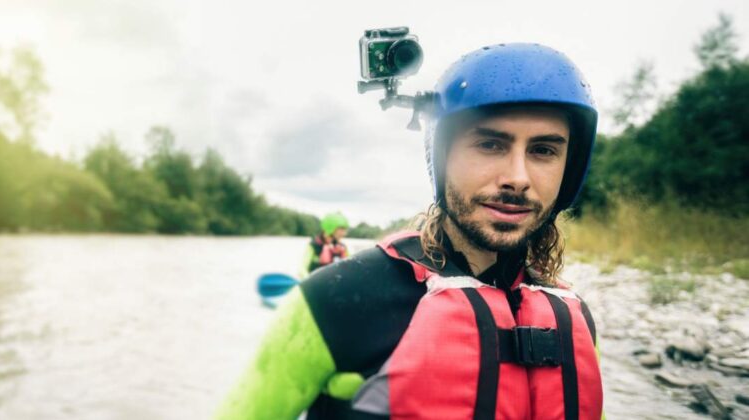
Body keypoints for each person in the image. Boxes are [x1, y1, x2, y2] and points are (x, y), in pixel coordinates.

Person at [216, 43, 603, 420]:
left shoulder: (574, 319)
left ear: (568, 169)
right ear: (443, 156)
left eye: (543, 151)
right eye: (489, 144)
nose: (518, 178)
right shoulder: (334, 302)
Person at [299, 212, 349, 279]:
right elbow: (302, 270)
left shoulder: (342, 248)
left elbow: (349, 267)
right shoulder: (314, 246)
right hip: (315, 283)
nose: (344, 233)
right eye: (341, 229)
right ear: (331, 228)